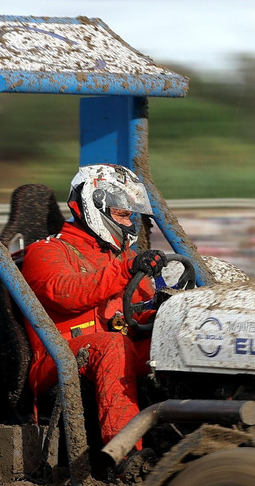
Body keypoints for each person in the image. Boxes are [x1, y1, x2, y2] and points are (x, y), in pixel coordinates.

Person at [20, 164, 165, 447]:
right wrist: (126, 268)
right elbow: (66, 293)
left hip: (113, 352)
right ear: (94, 205)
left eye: (130, 215)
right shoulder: (46, 251)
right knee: (113, 345)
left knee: (177, 341)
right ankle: (124, 456)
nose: (129, 223)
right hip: (59, 359)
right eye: (123, 214)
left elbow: (136, 312)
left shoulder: (120, 256)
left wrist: (162, 311)